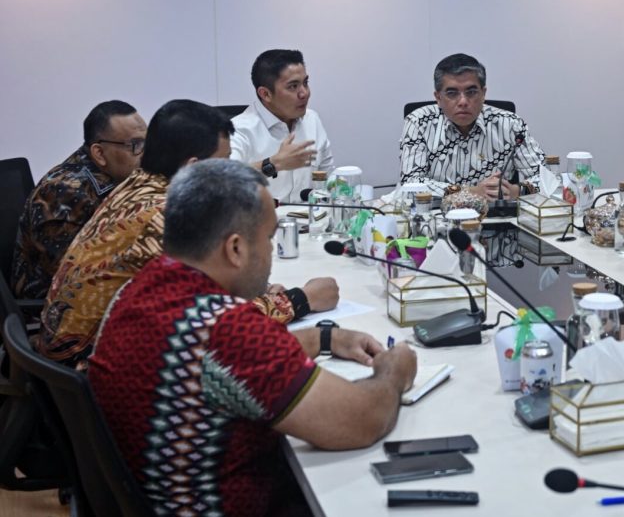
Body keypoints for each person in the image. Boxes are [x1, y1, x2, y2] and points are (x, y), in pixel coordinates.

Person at [89, 159, 417, 516]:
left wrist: (323, 339)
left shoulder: (136, 290)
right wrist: (395, 371)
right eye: (269, 237)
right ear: (235, 249)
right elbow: (361, 420)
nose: (271, 252)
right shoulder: (226, 331)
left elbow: (221, 366)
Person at [38, 99, 338, 368]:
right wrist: (301, 300)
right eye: (224, 162)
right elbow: (215, 324)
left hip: (77, 354)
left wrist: (258, 291)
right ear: (193, 168)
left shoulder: (141, 184)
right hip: (91, 370)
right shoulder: (163, 218)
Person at [9, 100, 146, 301]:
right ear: (99, 153)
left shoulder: (119, 177)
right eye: (136, 145)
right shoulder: (63, 193)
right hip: (54, 309)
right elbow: (72, 277)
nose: (146, 153)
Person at [399, 53, 545, 199]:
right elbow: (410, 184)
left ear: (483, 93)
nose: (463, 101)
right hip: (436, 217)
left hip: (495, 217)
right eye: (452, 93)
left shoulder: (511, 125)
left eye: (471, 92)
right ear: (438, 98)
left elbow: (547, 179)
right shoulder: (419, 122)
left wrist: (517, 191)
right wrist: (471, 192)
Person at [230, 49, 334, 202]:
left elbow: (328, 178)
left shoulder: (312, 120)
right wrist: (273, 164)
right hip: (261, 223)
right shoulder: (238, 130)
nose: (304, 93)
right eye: (293, 86)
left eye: (305, 83)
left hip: (312, 222)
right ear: (265, 94)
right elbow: (223, 182)